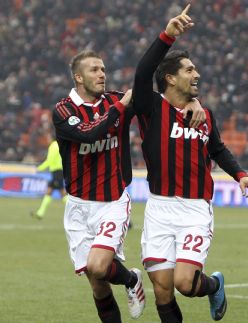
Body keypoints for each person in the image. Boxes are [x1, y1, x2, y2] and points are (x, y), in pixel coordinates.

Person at [51, 14, 205, 321]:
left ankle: (132, 279)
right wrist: (119, 107)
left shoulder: (119, 100)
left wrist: (192, 101)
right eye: (94, 70)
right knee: (98, 284)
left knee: (98, 266)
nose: (102, 74)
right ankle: (128, 279)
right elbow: (88, 133)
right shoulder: (63, 110)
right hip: (78, 205)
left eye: (104, 69)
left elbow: (162, 102)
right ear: (78, 78)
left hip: (112, 203)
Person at [132, 5, 248, 322]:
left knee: (185, 283)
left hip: (194, 210)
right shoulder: (151, 109)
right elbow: (142, 74)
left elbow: (217, 148)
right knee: (162, 290)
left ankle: (214, 285)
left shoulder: (204, 115)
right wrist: (167, 36)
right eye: (189, 70)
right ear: (170, 78)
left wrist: (240, 175)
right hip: (159, 208)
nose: (196, 74)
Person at [30, 139, 67, 219]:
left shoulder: (54, 146)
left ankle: (75, 210)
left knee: (62, 192)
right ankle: (40, 213)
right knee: (49, 191)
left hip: (57, 172)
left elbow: (49, 161)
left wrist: (39, 169)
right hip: (58, 171)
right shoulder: (60, 145)